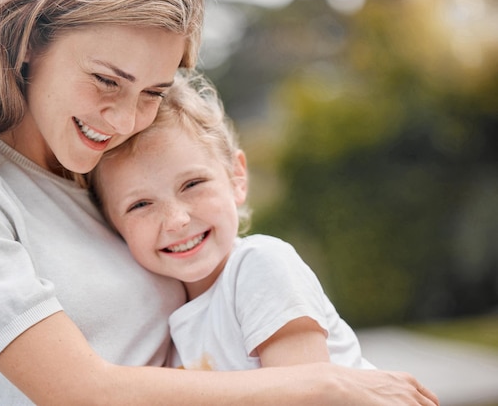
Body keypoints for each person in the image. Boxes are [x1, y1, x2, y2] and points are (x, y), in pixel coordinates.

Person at [0, 0, 439, 405]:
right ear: (26, 47)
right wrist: (322, 382)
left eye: (151, 93)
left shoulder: (97, 175)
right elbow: (79, 392)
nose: (123, 119)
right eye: (105, 80)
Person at [87, 71, 376, 371]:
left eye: (192, 184)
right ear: (112, 225)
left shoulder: (260, 266)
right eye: (141, 204)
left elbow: (305, 392)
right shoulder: (169, 320)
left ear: (236, 177)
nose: (176, 220)